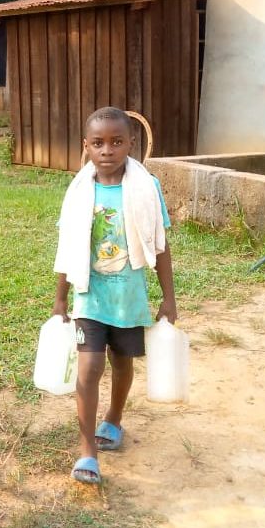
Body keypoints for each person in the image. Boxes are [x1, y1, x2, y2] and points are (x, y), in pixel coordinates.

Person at [52, 107, 177, 485]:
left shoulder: (145, 187)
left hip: (129, 298)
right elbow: (67, 245)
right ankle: (87, 450)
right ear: (86, 147)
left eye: (117, 142)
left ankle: (115, 419)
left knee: (123, 364)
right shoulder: (78, 192)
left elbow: (160, 244)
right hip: (89, 296)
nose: (107, 150)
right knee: (89, 369)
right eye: (98, 143)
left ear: (131, 144)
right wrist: (61, 298)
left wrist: (169, 297)